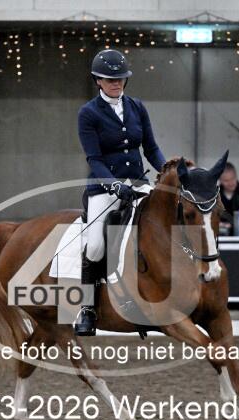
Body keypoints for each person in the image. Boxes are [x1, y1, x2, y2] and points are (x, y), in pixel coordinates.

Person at [74, 49, 166, 336]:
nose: (116, 83)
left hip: (138, 183)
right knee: (95, 246)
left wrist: (169, 171)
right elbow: (94, 158)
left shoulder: (137, 107)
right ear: (98, 81)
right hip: (105, 187)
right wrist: (114, 185)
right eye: (109, 79)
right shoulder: (88, 113)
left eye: (120, 79)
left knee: (163, 226)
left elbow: (151, 148)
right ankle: (87, 309)